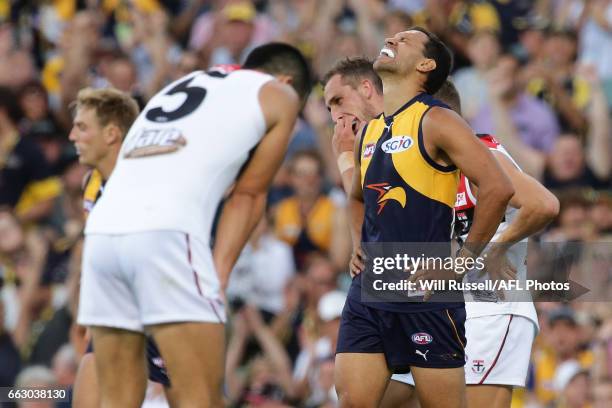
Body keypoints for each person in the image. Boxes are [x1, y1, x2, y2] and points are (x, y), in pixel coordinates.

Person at [77, 42, 311, 407]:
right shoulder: (279, 94)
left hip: (103, 233)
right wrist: (215, 278)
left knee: (115, 400)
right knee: (199, 398)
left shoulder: (184, 84)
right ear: (286, 80)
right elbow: (248, 196)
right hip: (166, 234)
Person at [324, 60, 559, 408]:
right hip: (431, 305)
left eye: (338, 102)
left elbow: (542, 204)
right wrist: (347, 159)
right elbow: (363, 194)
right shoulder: (403, 159)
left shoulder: (481, 152)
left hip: (490, 307)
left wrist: (485, 250)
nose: (336, 115)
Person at [68, 87, 182, 407]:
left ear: (111, 134)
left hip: (168, 315)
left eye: (82, 127)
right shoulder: (91, 183)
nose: (72, 135)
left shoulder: (153, 183)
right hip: (117, 314)